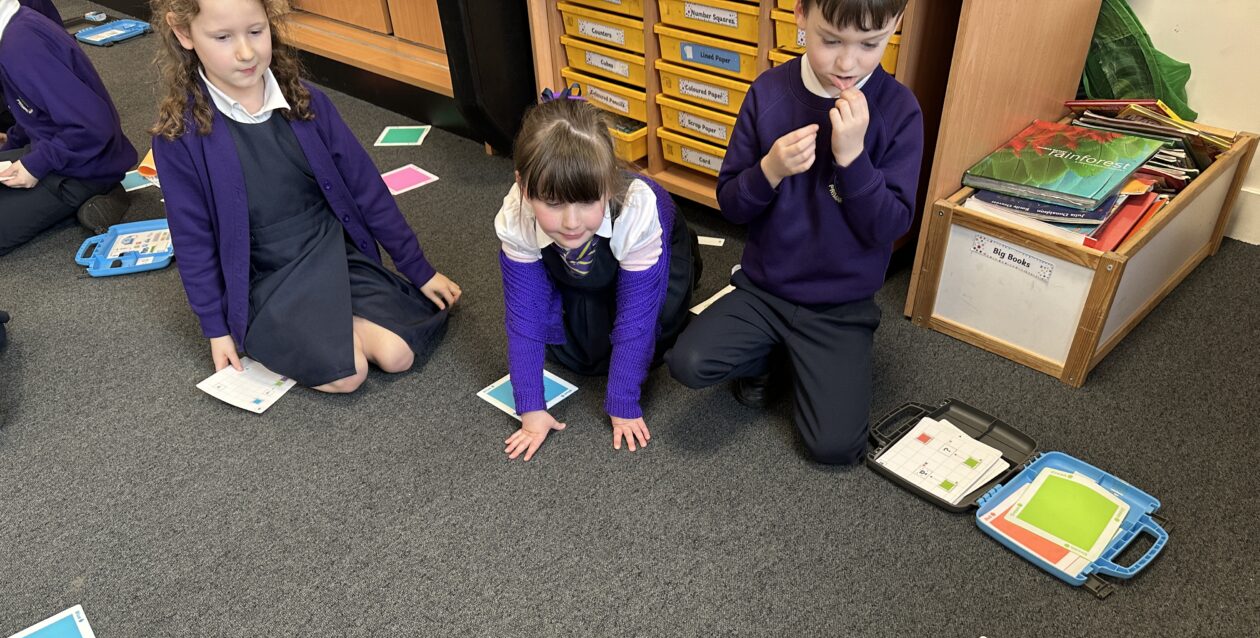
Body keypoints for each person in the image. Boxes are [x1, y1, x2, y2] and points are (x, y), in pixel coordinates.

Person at [151, 0, 460, 393]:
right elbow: (192, 239)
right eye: (223, 37)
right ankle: (321, 330)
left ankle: (337, 324)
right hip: (264, 277)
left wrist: (418, 268)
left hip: (330, 250)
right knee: (348, 375)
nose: (246, 52)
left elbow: (367, 189)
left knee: (398, 354)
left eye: (256, 32)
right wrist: (216, 329)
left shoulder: (307, 100)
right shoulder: (178, 137)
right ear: (183, 33)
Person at [666, 0, 923, 465]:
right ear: (801, 14)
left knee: (834, 448)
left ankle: (797, 358)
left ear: (895, 26)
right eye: (831, 40)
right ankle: (769, 357)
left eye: (870, 44)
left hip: (840, 306)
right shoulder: (769, 92)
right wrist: (769, 170)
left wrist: (853, 160)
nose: (847, 63)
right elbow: (731, 203)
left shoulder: (899, 110)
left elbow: (889, 226)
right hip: (765, 291)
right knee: (687, 362)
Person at [495, 92, 699, 460]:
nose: (571, 222)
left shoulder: (636, 210)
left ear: (607, 183)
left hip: (651, 256)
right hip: (584, 265)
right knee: (577, 351)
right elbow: (524, 316)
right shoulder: (517, 214)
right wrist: (530, 408)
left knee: (649, 333)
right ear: (524, 188)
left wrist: (623, 403)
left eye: (587, 202)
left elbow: (636, 319)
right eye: (553, 203)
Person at [0, 0, 134, 254]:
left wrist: (35, 164)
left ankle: (100, 195)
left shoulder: (21, 48)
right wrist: (11, 147)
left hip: (84, 167)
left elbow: (92, 127)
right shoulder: (14, 31)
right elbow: (34, 112)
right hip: (55, 148)